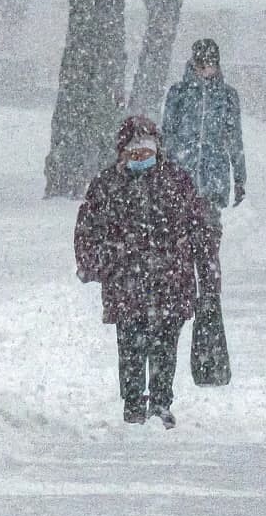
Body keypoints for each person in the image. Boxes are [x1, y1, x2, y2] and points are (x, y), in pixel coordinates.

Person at [74, 116, 219, 429]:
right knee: (130, 345)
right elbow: (87, 228)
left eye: (146, 153)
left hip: (171, 281)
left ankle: (161, 401)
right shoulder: (107, 185)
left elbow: (200, 228)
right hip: (126, 283)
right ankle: (133, 403)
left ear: (158, 150)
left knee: (166, 344)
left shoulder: (177, 182)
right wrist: (94, 263)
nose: (141, 159)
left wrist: (207, 275)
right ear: (123, 153)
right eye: (134, 154)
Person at [161, 38, 247, 244]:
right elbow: (167, 135)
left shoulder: (227, 96)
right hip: (181, 179)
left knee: (208, 242)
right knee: (178, 241)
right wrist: (164, 171)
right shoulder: (178, 93)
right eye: (202, 65)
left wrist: (240, 180)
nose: (206, 70)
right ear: (194, 64)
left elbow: (234, 139)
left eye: (211, 64)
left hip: (213, 181)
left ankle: (208, 275)